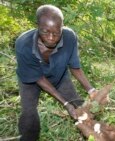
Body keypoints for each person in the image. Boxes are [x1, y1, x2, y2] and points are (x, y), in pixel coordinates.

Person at [15, 4, 102, 141]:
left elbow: (74, 66)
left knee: (78, 105)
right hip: (31, 81)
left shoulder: (69, 37)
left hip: (59, 76)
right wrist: (65, 104)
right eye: (45, 32)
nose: (51, 37)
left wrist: (91, 90)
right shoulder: (23, 44)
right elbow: (38, 78)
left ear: (62, 27)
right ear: (37, 25)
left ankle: (94, 134)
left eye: (56, 33)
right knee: (29, 114)